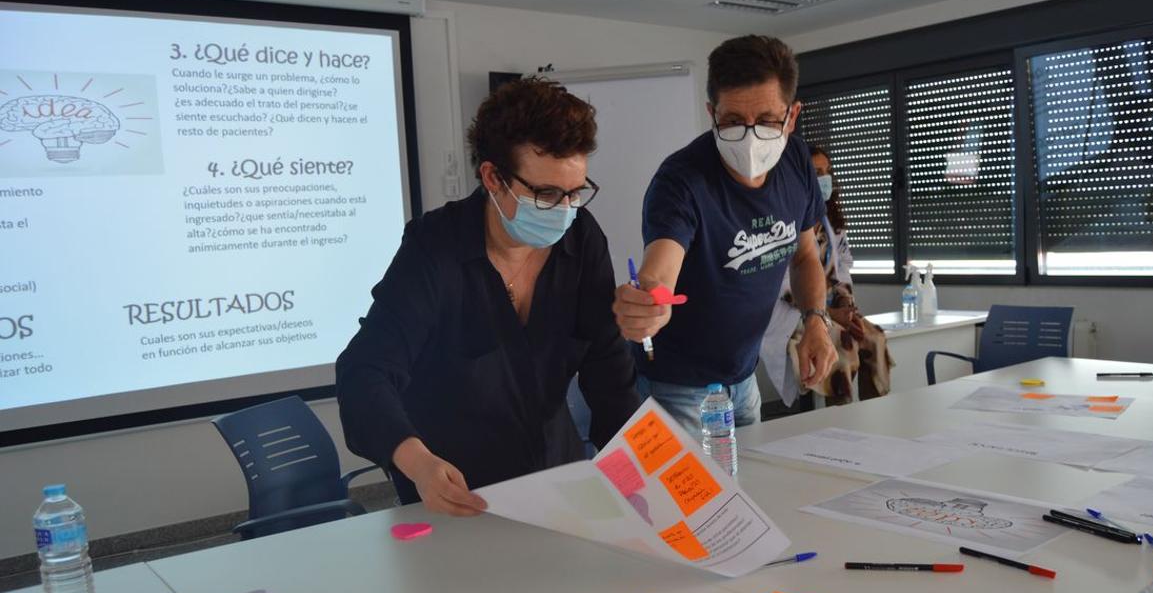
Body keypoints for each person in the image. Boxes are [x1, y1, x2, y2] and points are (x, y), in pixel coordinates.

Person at [336, 77, 640, 516]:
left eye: (575, 192)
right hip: (455, 490)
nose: (565, 209)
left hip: (556, 476)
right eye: (547, 194)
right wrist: (417, 463)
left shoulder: (582, 239)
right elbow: (364, 373)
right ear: (493, 177)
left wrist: (636, 471)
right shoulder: (435, 248)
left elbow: (608, 366)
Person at [612, 35, 837, 433]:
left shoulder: (797, 162)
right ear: (711, 113)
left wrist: (815, 321)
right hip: (676, 386)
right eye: (733, 122)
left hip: (743, 377)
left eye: (767, 121)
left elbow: (804, 256)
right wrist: (648, 301)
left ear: (792, 115)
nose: (750, 138)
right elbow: (660, 268)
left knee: (748, 489)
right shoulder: (681, 180)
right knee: (688, 496)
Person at [761, 145, 893, 409]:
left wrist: (846, 306)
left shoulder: (829, 221)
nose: (825, 178)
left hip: (831, 308)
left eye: (828, 171)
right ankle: (837, 424)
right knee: (841, 353)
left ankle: (876, 411)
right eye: (817, 171)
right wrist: (828, 314)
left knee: (875, 339)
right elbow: (782, 282)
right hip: (793, 312)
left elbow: (842, 267)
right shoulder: (780, 221)